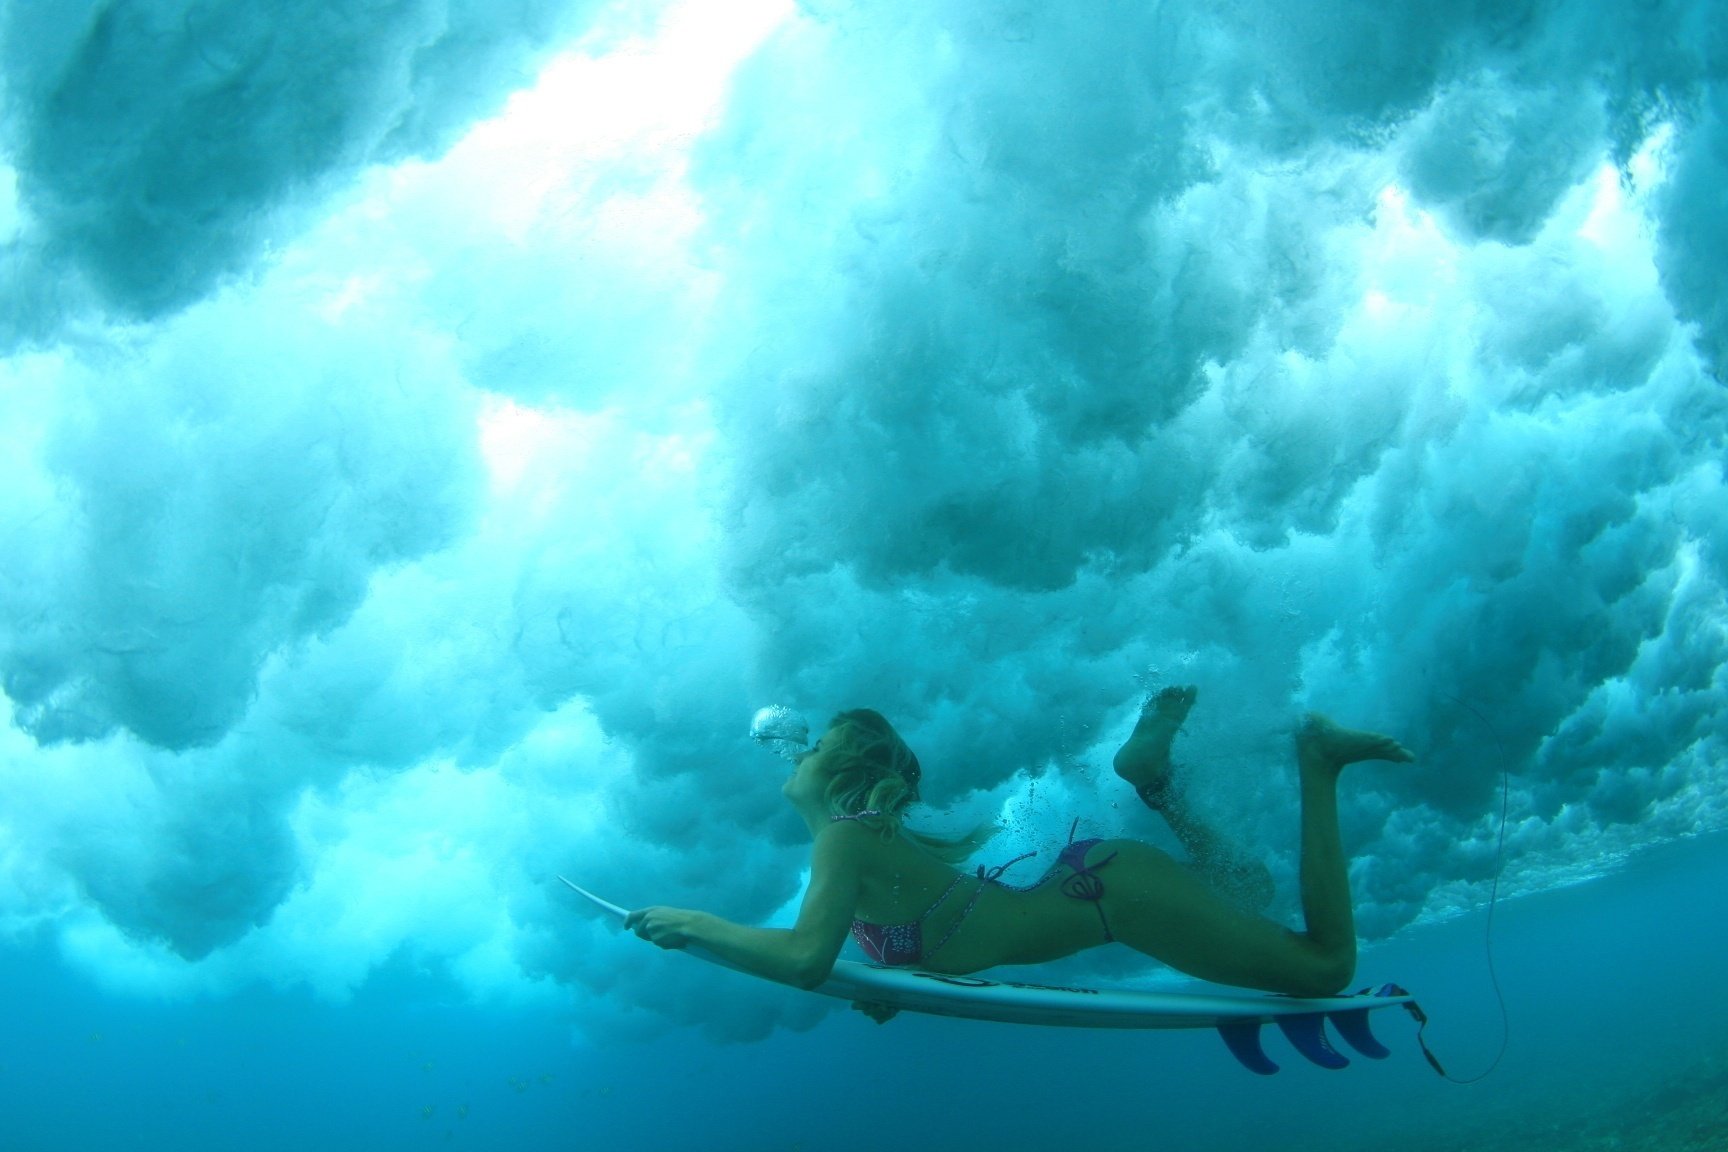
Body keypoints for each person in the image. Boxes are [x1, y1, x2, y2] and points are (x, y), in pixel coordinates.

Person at [622, 686, 1414, 1007]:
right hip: (1103, 886)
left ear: (844, 777)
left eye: (815, 744)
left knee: (1325, 967)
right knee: (1247, 888)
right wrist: (897, 993)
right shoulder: (854, 845)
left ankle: (1318, 758)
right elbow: (929, 939)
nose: (793, 749)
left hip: (1115, 896)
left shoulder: (843, 844)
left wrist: (695, 923)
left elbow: (805, 960)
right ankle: (1153, 780)